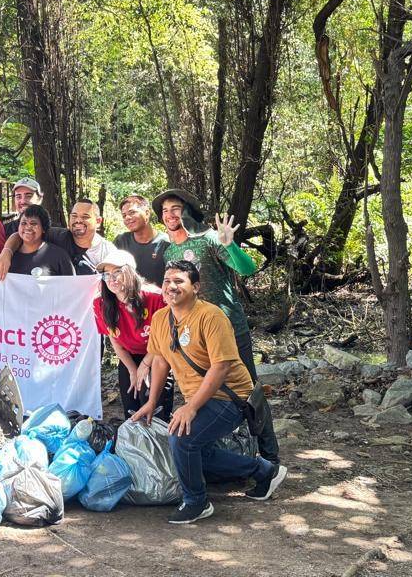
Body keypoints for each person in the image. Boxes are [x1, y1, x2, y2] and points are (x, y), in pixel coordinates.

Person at [133, 260, 287, 524]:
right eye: (167, 281)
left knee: (182, 439)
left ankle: (196, 501)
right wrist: (151, 401)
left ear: (196, 287)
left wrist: (191, 407)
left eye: (179, 281)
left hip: (230, 397)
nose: (171, 286)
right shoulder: (161, 318)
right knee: (194, 452)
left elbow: (221, 366)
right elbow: (160, 361)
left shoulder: (211, 316)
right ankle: (264, 471)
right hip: (201, 397)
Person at [153, 188, 279, 463]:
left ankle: (270, 455)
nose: (169, 215)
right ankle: (230, 455)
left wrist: (229, 244)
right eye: (164, 211)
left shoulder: (209, 239)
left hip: (229, 327)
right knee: (208, 395)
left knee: (249, 392)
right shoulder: (169, 250)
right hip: (193, 335)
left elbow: (246, 268)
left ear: (187, 210)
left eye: (175, 208)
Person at [94, 250, 173, 421]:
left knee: (155, 406)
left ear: (130, 272)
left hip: (158, 354)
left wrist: (145, 365)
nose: (111, 279)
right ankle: (134, 445)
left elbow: (165, 338)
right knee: (131, 404)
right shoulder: (101, 303)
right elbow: (115, 341)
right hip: (129, 355)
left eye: (117, 272)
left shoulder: (155, 297)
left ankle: (162, 443)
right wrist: (132, 369)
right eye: (106, 274)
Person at [0, 199, 116, 277]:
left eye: (85, 217)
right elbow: (22, 236)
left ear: (98, 221)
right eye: (74, 216)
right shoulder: (59, 236)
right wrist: (6, 252)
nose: (78, 220)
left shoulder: (108, 251)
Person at [0, 204, 73, 277]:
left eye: (33, 223)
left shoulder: (59, 256)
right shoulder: (7, 257)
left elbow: (71, 287)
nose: (28, 227)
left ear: (44, 228)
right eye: (24, 223)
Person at [113, 194, 170, 286]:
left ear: (147, 213)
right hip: (129, 298)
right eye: (124, 215)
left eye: (132, 212)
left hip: (158, 298)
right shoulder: (121, 242)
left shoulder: (165, 243)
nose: (127, 218)